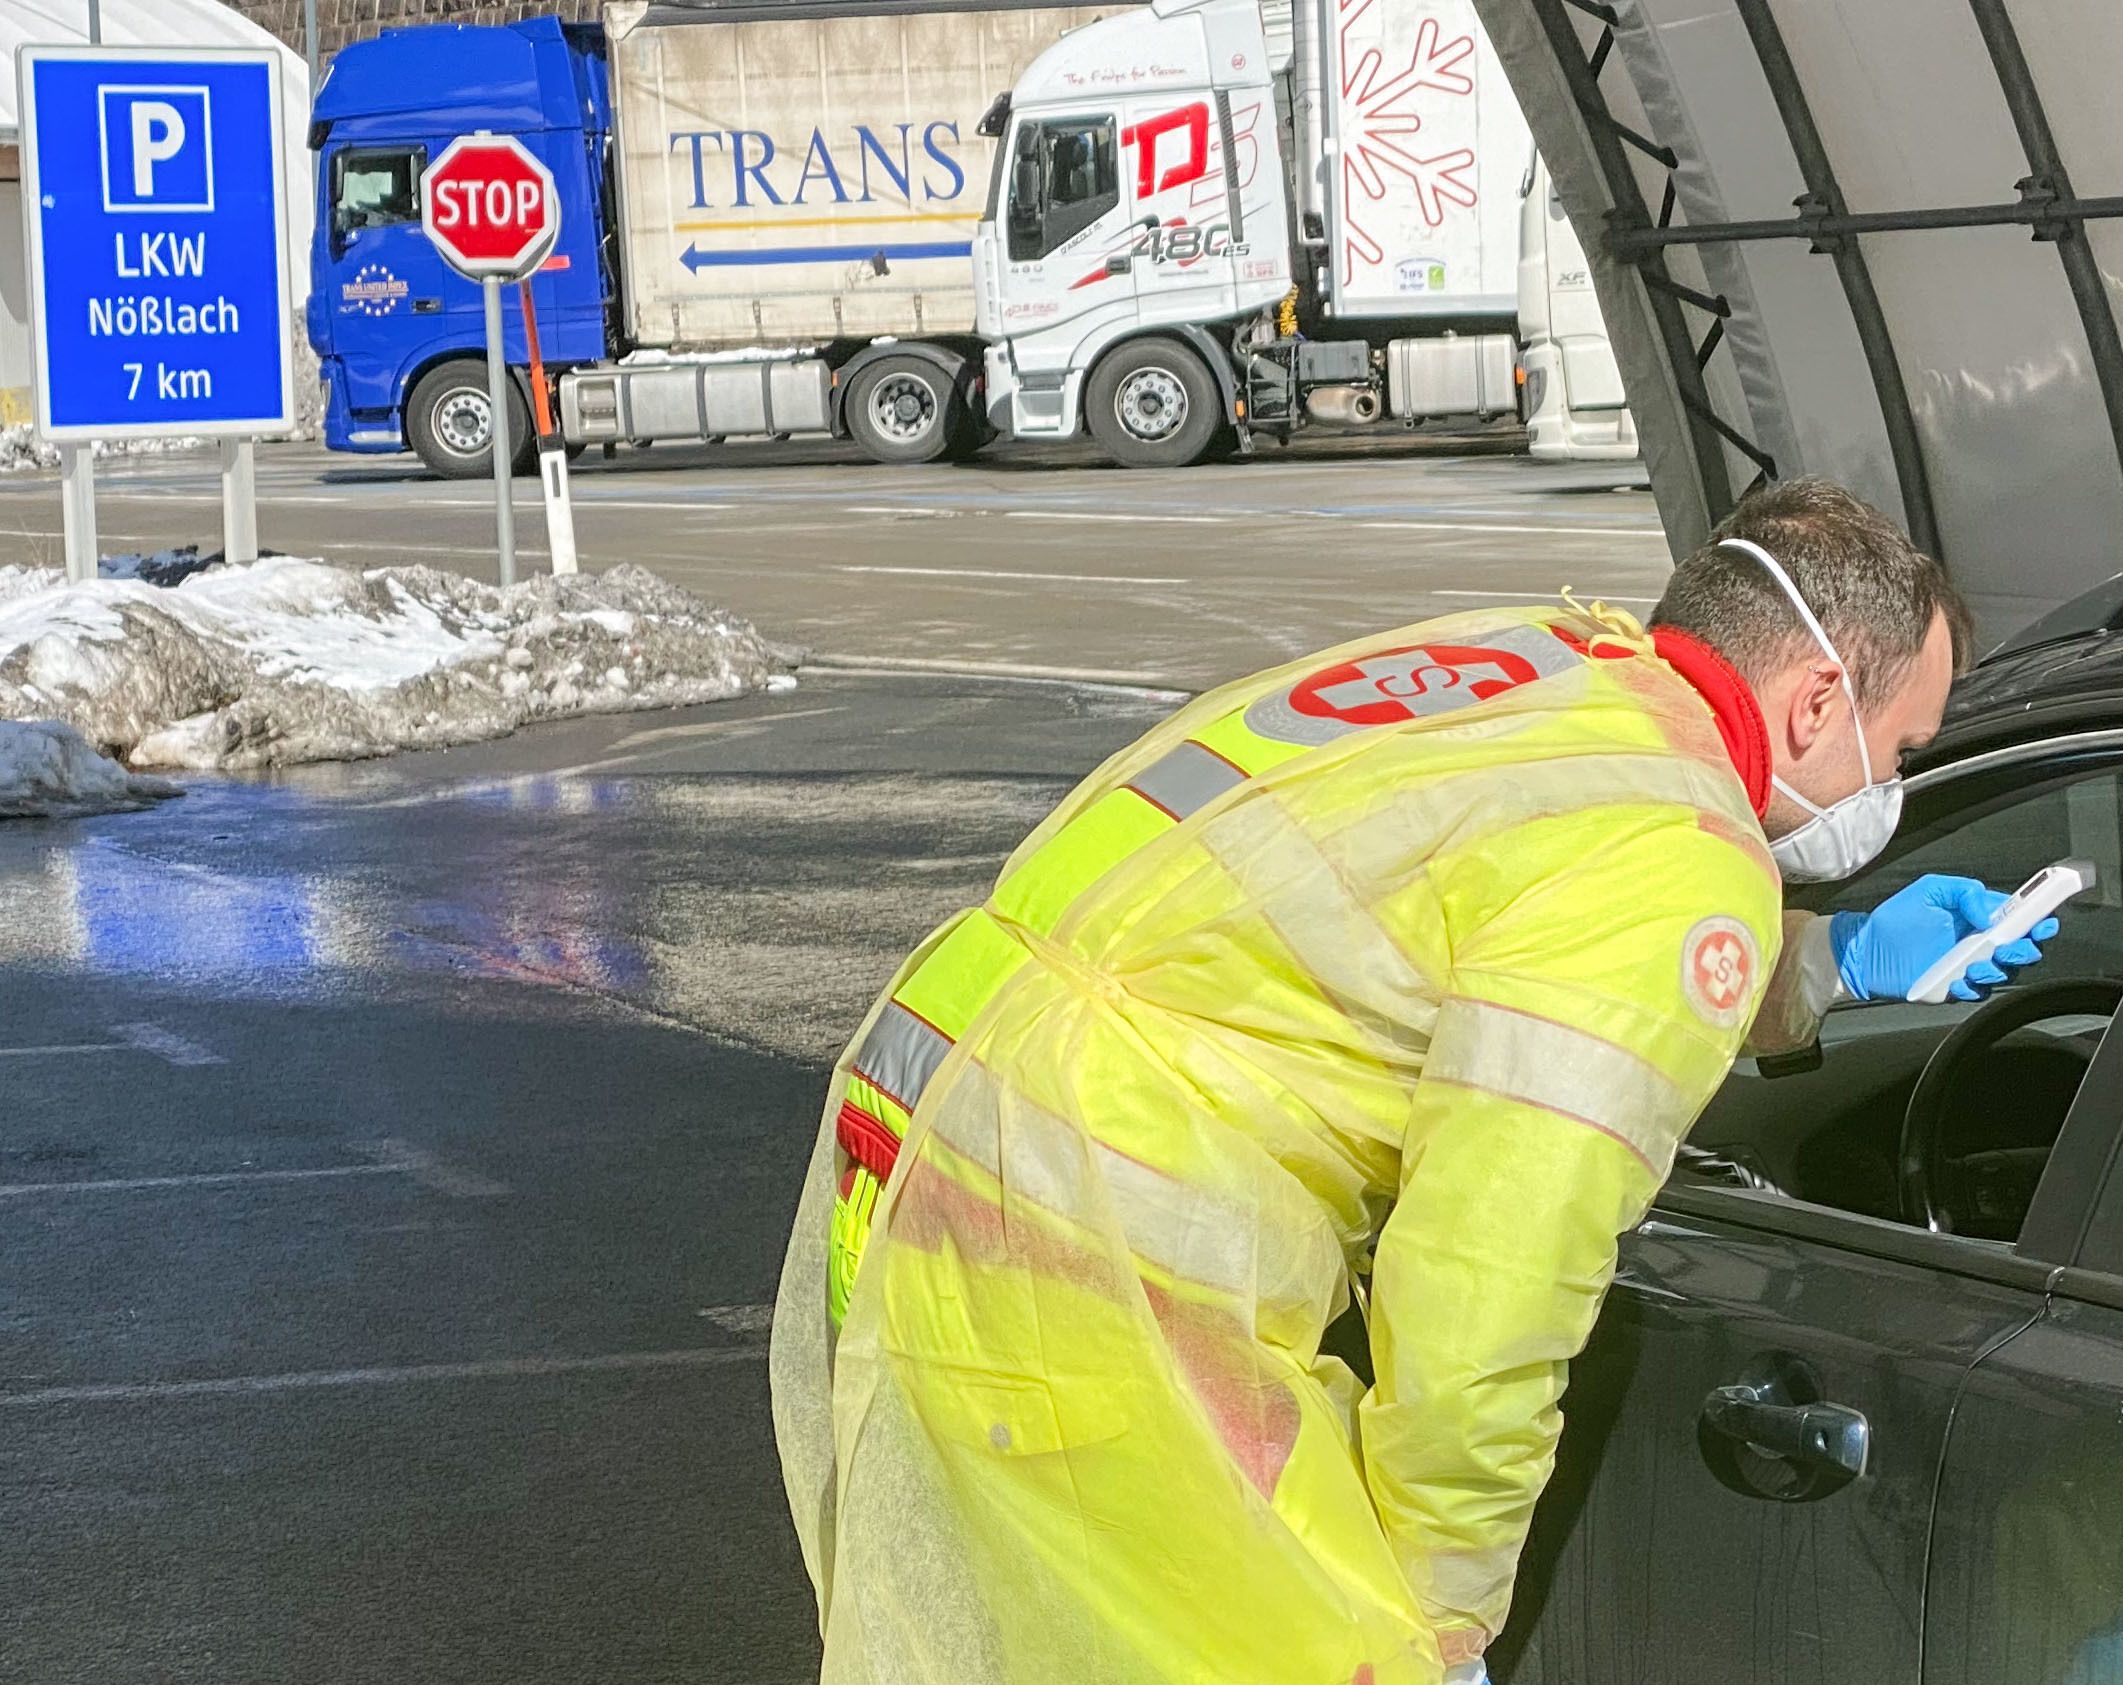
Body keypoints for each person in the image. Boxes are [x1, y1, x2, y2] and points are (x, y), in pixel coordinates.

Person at [769, 478, 2057, 1685]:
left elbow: (1504, 925)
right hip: (1098, 1222)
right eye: (1899, 751)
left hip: (929, 1096)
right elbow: (1491, 1276)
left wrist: (1826, 961)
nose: (1889, 791)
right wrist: (1443, 1609)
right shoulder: (1681, 849)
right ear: (1817, 704)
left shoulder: (1557, 665)